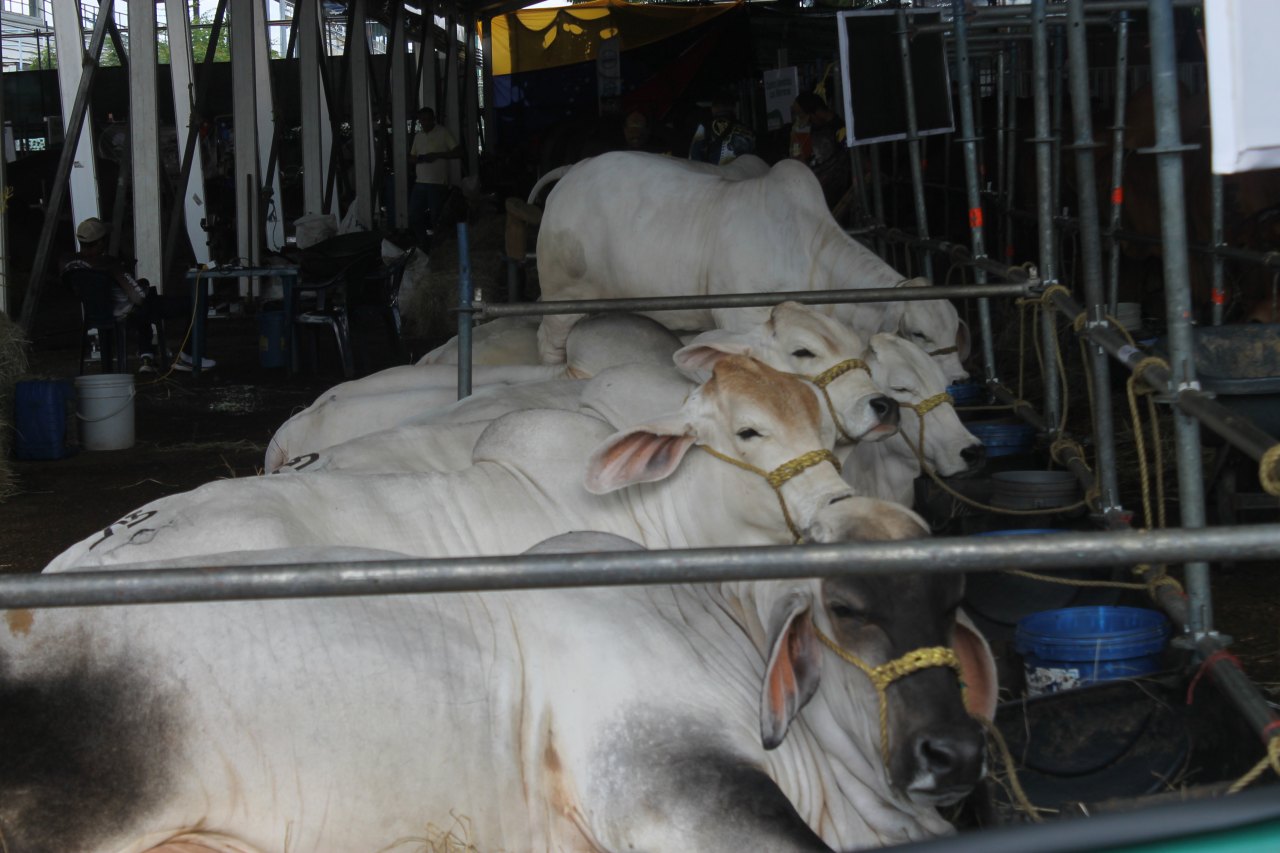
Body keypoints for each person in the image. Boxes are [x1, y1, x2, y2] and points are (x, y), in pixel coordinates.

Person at [63, 217, 215, 373]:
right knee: (194, 302)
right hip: (126, 314)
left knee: (143, 305)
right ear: (101, 242)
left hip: (98, 313)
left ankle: (146, 354)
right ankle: (189, 356)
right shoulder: (110, 264)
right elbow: (138, 297)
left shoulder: (70, 264)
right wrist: (140, 283)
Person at [408, 107, 462, 250]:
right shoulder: (418, 136)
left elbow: (458, 152)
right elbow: (411, 158)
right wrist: (422, 158)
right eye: (422, 120)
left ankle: (441, 246)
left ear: (433, 119)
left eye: (427, 119)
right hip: (420, 182)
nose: (425, 123)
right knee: (413, 214)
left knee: (436, 217)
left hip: (437, 183)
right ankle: (424, 242)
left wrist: (438, 155)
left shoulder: (443, 132)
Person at [789, 92, 851, 209]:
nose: (798, 119)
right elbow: (798, 160)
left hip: (835, 196)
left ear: (813, 114)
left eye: (800, 115)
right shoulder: (804, 129)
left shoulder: (839, 130)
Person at [688, 96, 755, 166]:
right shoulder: (747, 129)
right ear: (734, 109)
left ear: (713, 108)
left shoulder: (705, 125)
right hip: (742, 174)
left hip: (717, 173)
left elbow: (694, 156)